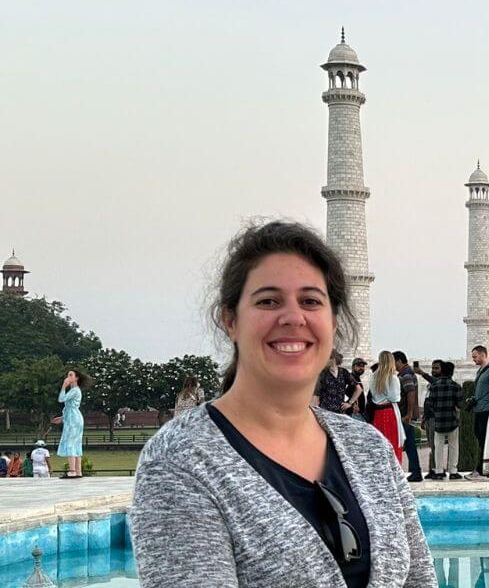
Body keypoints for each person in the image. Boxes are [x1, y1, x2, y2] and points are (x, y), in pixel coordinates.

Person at [131, 220, 433, 587]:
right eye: (268, 301)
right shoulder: (183, 460)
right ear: (231, 320)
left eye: (310, 301)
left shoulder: (368, 448)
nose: (293, 317)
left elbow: (418, 579)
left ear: (333, 321)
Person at [424, 361, 462, 480]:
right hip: (452, 421)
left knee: (438, 447)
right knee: (453, 446)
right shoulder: (456, 386)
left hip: (438, 421)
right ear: (451, 372)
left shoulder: (434, 386)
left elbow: (429, 404)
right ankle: (453, 471)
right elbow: (460, 404)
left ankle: (439, 471)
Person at [465, 346, 489, 478]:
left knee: (485, 440)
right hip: (479, 409)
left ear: (483, 355)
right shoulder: (480, 371)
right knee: (480, 438)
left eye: (475, 356)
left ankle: (481, 469)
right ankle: (484, 468)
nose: (473, 359)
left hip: (487, 410)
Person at [392, 352, 423, 482]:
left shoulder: (405, 375)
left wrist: (409, 414)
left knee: (409, 443)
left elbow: (410, 393)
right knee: (409, 443)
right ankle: (414, 471)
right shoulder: (408, 373)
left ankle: (416, 472)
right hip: (406, 414)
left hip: (405, 415)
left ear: (398, 361)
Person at [55, 368, 90, 479]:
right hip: (74, 417)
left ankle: (72, 471)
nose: (68, 377)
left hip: (73, 419)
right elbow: (70, 406)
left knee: (71, 443)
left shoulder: (74, 390)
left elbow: (61, 399)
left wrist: (63, 386)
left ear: (76, 378)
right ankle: (78, 471)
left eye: (71, 375)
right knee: (76, 444)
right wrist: (62, 417)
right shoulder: (75, 390)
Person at [314, 350, 359, 415]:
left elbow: (358, 389)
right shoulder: (322, 374)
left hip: (340, 412)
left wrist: (350, 403)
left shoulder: (343, 372)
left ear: (332, 359)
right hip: (325, 412)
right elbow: (316, 396)